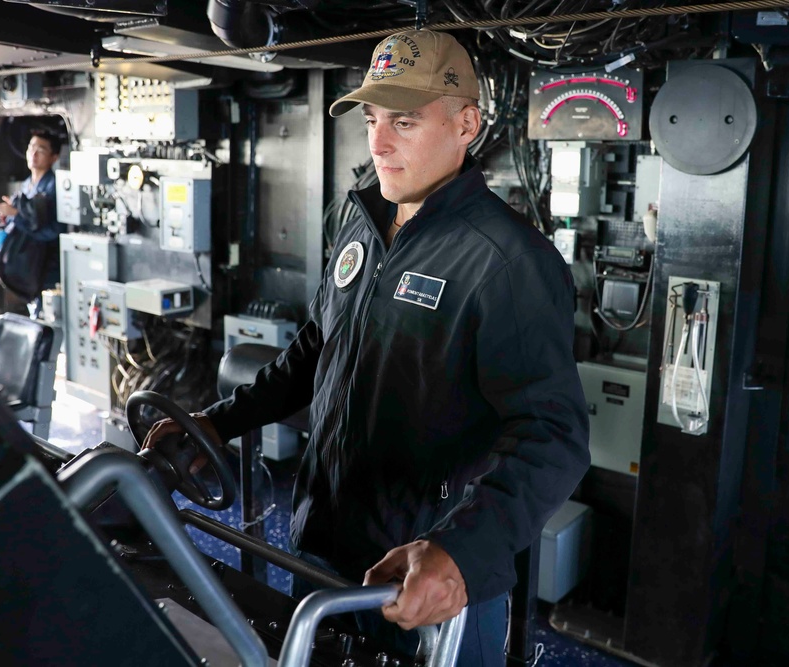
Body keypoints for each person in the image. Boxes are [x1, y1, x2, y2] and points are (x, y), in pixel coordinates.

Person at [144, 29, 590, 665]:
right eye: (373, 119)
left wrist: (459, 554)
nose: (378, 143)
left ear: (468, 124)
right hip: (322, 545)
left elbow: (555, 435)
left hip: (421, 577)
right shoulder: (361, 218)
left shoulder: (508, 261)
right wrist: (221, 422)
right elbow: (319, 346)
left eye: (404, 122)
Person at [0, 129, 62, 317]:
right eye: (31, 147)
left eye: (41, 149)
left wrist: (16, 214)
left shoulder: (54, 187)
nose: (34, 153)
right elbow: (11, 227)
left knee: (48, 318)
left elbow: (52, 230)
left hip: (46, 266)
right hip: (28, 264)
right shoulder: (26, 186)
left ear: (54, 157)